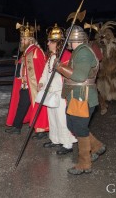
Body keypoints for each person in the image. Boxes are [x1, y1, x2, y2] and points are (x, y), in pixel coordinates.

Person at [55, 25, 106, 175]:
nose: (67, 43)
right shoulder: (79, 51)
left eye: (68, 40)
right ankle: (97, 146)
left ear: (72, 39)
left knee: (80, 128)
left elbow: (79, 76)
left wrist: (60, 68)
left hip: (83, 97)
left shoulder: (83, 53)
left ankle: (84, 163)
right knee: (72, 124)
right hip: (76, 96)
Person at [37, 24, 77, 154]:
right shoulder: (51, 57)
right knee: (52, 117)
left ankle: (67, 143)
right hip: (50, 93)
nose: (47, 43)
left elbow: (70, 75)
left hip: (61, 93)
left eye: (50, 41)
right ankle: (55, 140)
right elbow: (45, 73)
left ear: (57, 43)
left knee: (61, 118)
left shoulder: (65, 56)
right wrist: (41, 83)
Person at [5, 22, 48, 136]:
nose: (22, 41)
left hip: (33, 86)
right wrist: (19, 64)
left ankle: (40, 130)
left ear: (30, 39)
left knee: (36, 106)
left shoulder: (36, 51)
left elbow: (40, 69)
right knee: (22, 106)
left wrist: (28, 77)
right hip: (25, 84)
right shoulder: (27, 52)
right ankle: (17, 126)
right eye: (21, 39)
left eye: (24, 39)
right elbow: (25, 67)